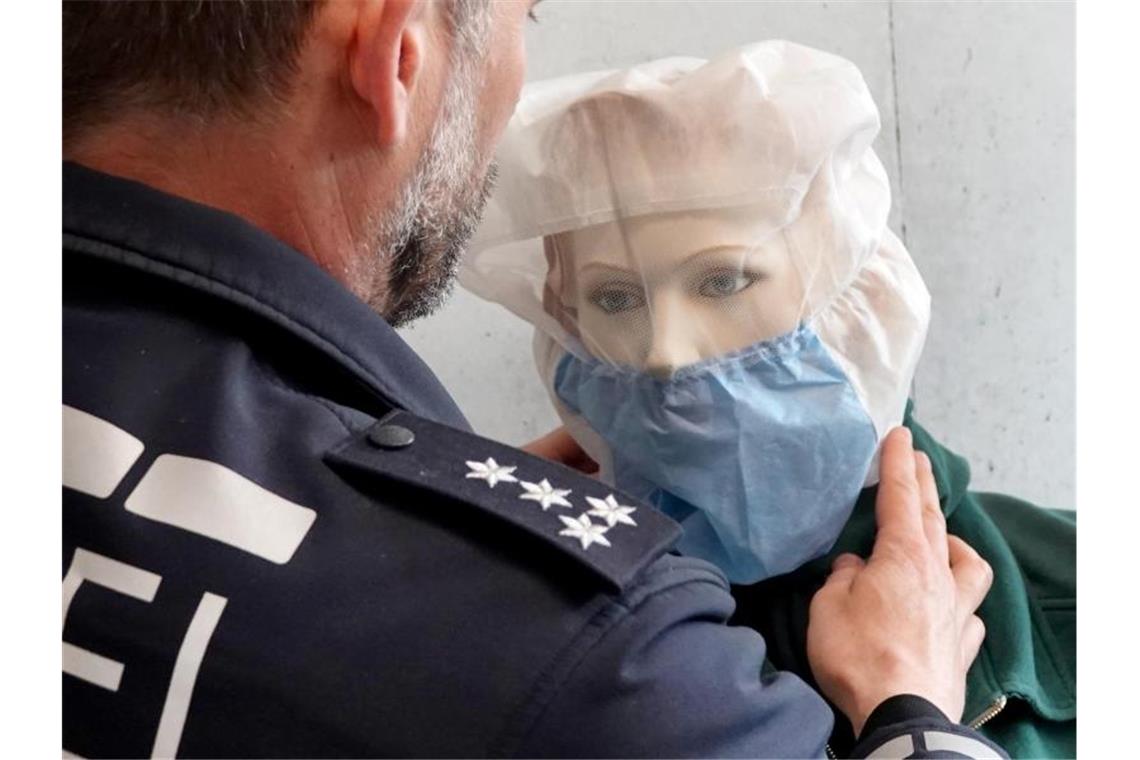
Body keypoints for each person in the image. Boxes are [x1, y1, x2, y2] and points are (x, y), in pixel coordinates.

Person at [63, 3, 1004, 758]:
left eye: (726, 280)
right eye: (526, 15)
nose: (671, 353)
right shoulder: (610, 674)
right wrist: (913, 717)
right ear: (396, 52)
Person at [461, 41, 1074, 756]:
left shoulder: (1075, 579)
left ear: (859, 287)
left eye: (722, 281)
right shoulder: (543, 642)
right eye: (614, 297)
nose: (664, 351)